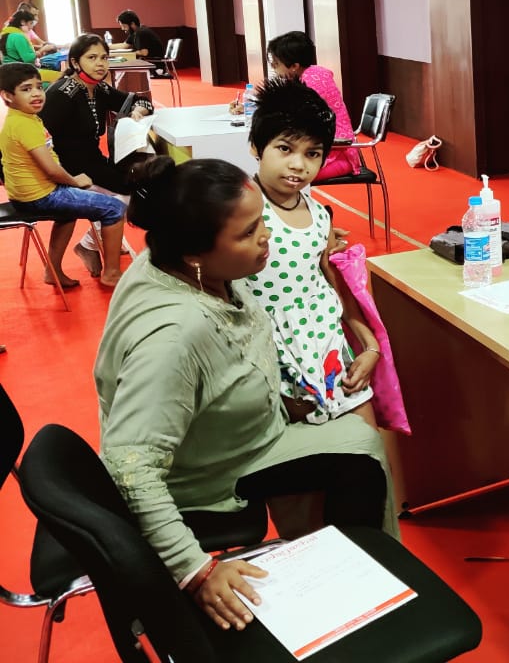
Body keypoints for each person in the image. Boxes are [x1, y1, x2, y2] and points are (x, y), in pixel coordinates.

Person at [94, 156, 400, 633]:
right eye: (248, 231)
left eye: (261, 221)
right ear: (196, 253)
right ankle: (361, 601)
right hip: (206, 473)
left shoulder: (172, 261)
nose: (266, 236)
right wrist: (195, 570)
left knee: (360, 444)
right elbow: (129, 466)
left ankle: (359, 581)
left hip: (238, 429)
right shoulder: (175, 335)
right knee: (361, 452)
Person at [244, 78, 381, 426]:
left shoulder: (320, 215)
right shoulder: (240, 211)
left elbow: (332, 286)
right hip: (267, 359)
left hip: (327, 349)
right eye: (285, 148)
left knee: (368, 442)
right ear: (256, 146)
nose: (298, 165)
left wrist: (370, 347)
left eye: (312, 154)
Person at [0, 62, 125, 287]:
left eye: (39, 87)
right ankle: (112, 273)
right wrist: (75, 181)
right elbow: (51, 170)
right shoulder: (23, 124)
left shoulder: (24, 118)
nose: (36, 93)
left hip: (29, 194)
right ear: (7, 96)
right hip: (40, 197)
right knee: (115, 208)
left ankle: (53, 271)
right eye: (26, 89)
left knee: (68, 213)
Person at [40, 33, 149, 275]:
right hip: (68, 170)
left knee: (137, 187)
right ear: (75, 62)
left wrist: (139, 109)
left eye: (104, 57)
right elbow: (38, 138)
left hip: (94, 164)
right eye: (92, 58)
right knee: (128, 194)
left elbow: (140, 101)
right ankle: (92, 243)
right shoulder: (62, 94)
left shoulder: (99, 88)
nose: (100, 64)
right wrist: (59, 176)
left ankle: (92, 243)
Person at [258, 30, 361, 181]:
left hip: (337, 153)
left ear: (294, 66)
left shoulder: (312, 81)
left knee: (281, 176)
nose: (273, 67)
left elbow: (292, 116)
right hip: (322, 149)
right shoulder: (312, 74)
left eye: (276, 63)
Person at [1, 8, 60, 82]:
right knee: (60, 77)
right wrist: (42, 50)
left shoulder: (5, 34)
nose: (32, 27)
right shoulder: (18, 36)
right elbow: (28, 59)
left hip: (8, 72)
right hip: (21, 73)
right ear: (22, 22)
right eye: (31, 23)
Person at [116, 8, 165, 73]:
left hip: (155, 67)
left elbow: (144, 53)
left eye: (124, 26)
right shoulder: (136, 31)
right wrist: (106, 46)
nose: (122, 29)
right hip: (148, 63)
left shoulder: (141, 32)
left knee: (122, 65)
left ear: (132, 24)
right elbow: (125, 45)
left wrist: (128, 54)